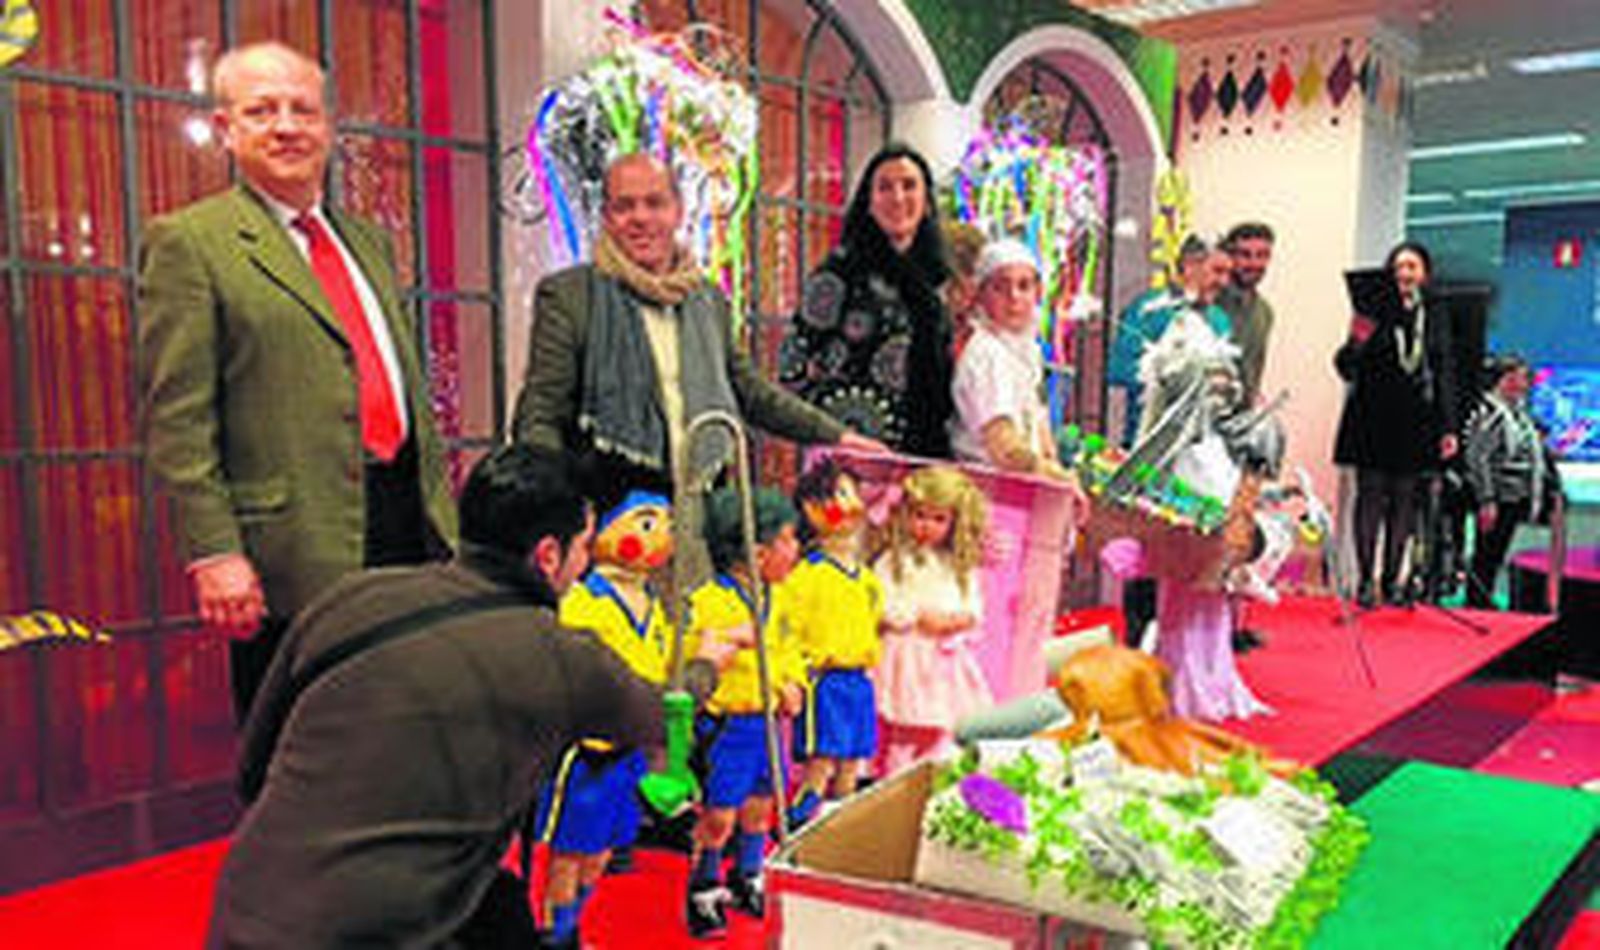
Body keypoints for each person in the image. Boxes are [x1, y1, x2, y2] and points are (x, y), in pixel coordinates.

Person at [207, 445, 665, 949]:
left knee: (500, 907)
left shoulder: (351, 596)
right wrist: (707, 662)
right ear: (548, 555)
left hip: (244, 917)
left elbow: (252, 773)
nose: (586, 563)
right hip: (381, 932)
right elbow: (662, 717)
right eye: (584, 547)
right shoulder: (562, 654)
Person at [139, 42, 456, 723]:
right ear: (225, 129)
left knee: (403, 726)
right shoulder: (190, 242)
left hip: (405, 524)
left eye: (303, 110)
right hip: (288, 552)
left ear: (329, 127)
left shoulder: (367, 242)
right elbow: (179, 420)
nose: (286, 126)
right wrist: (215, 552)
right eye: (261, 111)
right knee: (301, 746)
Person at [512, 152, 877, 492]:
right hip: (610, 511)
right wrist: (551, 504)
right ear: (607, 217)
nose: (640, 217)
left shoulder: (707, 298)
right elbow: (540, 412)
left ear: (678, 211)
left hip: (702, 500)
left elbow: (749, 389)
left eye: (654, 203)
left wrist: (839, 437)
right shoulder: (570, 295)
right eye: (624, 206)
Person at [535, 490, 675, 949]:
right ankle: (556, 935)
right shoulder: (585, 601)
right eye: (646, 523)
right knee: (570, 854)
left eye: (666, 525)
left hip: (630, 749)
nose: (661, 536)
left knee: (601, 855)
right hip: (588, 753)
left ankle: (572, 928)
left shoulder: (652, 603)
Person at [681, 487, 807, 938]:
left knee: (761, 805)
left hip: (768, 725)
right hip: (729, 725)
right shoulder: (709, 601)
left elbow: (791, 651)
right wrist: (729, 638)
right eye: (787, 540)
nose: (796, 549)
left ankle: (748, 874)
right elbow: (696, 654)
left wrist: (794, 682)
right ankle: (704, 886)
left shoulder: (782, 599)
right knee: (719, 815)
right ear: (757, 551)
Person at [780, 144, 956, 457]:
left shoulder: (937, 279)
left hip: (923, 449)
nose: (898, 197)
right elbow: (792, 365)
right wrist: (832, 433)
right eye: (884, 187)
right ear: (869, 203)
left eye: (909, 185)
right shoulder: (841, 271)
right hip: (854, 453)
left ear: (927, 201)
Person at [1333, 241, 1458, 609]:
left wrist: (1448, 427)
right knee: (1370, 496)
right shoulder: (1372, 311)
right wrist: (1357, 340)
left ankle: (1392, 581)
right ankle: (1365, 581)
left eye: (1412, 267)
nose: (1405, 274)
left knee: (1405, 499)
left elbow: (1445, 372)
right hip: (1372, 416)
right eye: (1399, 267)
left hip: (1415, 419)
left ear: (1425, 275)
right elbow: (1345, 367)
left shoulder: (1433, 315)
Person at [873, 466, 992, 774]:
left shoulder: (958, 566)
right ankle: (895, 782)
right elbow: (882, 603)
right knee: (905, 731)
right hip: (909, 654)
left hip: (944, 660)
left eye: (939, 519)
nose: (926, 526)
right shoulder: (895, 560)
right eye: (920, 515)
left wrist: (957, 620)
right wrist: (916, 615)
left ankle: (931, 782)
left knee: (943, 730)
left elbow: (974, 607)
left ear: (955, 522)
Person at [785, 459, 883, 826]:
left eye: (853, 494)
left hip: (858, 681)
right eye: (841, 494)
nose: (851, 503)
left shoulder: (866, 578)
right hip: (824, 682)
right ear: (812, 509)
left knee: (852, 764)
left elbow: (874, 619)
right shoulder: (806, 575)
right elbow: (788, 628)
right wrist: (796, 674)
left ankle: (840, 828)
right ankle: (796, 823)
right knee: (822, 762)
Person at [1107, 235, 1234, 448]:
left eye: (1228, 274)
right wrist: (1169, 376)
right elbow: (1117, 369)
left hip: (1200, 448)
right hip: (1146, 444)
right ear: (1190, 266)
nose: (1224, 282)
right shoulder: (1150, 310)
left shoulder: (1220, 321)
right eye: (1217, 271)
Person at [1463, 355, 1560, 608]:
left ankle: (1482, 599)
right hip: (1498, 497)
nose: (1527, 383)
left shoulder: (1518, 412)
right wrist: (1486, 499)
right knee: (1487, 554)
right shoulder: (1490, 413)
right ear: (1506, 379)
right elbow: (1478, 458)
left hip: (1514, 496)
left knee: (1496, 553)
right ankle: (1477, 602)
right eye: (1521, 377)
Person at [1218, 222, 1277, 408]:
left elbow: (1253, 377)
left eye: (1262, 255)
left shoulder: (1264, 312)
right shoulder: (1211, 303)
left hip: (1242, 419)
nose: (1254, 264)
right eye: (1245, 255)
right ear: (1229, 256)